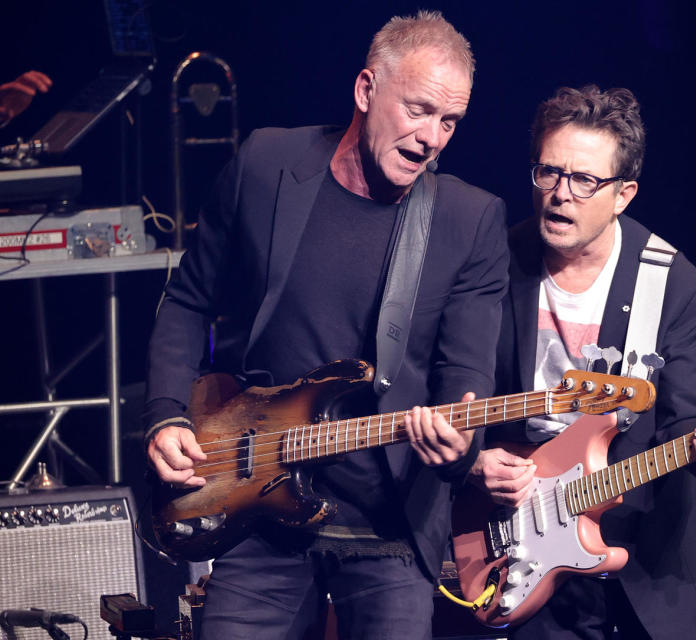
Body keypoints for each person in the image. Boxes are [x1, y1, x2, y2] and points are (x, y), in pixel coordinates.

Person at [143, 11, 508, 639]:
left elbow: (465, 374)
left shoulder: (467, 221)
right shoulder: (265, 164)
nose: (433, 138)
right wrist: (167, 413)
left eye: (449, 121)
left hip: (387, 526)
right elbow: (187, 300)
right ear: (366, 90)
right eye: (419, 110)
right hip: (256, 506)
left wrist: (459, 447)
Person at [470, 85, 696, 640]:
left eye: (584, 181)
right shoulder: (492, 265)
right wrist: (475, 460)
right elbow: (454, 387)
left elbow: (684, 415)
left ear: (624, 194)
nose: (559, 195)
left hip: (646, 564)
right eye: (549, 172)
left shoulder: (676, 285)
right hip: (516, 549)